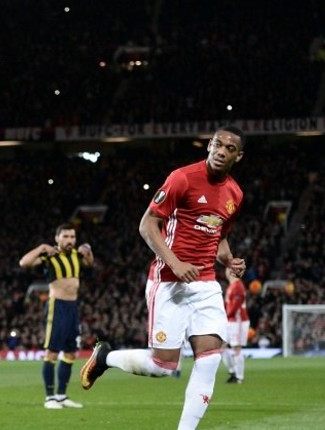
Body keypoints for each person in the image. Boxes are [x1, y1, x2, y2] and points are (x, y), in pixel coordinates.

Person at [80, 126, 247, 430]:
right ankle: (105, 358)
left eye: (230, 148)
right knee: (162, 367)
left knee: (209, 360)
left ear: (239, 155)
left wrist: (228, 259)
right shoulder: (182, 177)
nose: (222, 151)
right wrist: (176, 262)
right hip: (169, 280)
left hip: (206, 283)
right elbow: (147, 225)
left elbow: (219, 236)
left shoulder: (235, 194)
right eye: (217, 144)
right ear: (208, 145)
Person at [19, 223, 93, 409]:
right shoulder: (50, 255)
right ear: (57, 238)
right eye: (66, 236)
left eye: (72, 237)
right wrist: (42, 248)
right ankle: (50, 398)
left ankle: (61, 396)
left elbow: (89, 263)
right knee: (52, 352)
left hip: (73, 307)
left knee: (70, 353)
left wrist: (88, 250)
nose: (70, 240)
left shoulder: (77, 255)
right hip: (57, 305)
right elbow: (24, 262)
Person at [222, 267, 249, 384]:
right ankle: (233, 371)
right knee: (221, 346)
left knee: (236, 347)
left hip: (238, 320)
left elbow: (236, 305)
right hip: (231, 320)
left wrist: (227, 315)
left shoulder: (238, 286)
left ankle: (239, 377)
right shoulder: (232, 286)